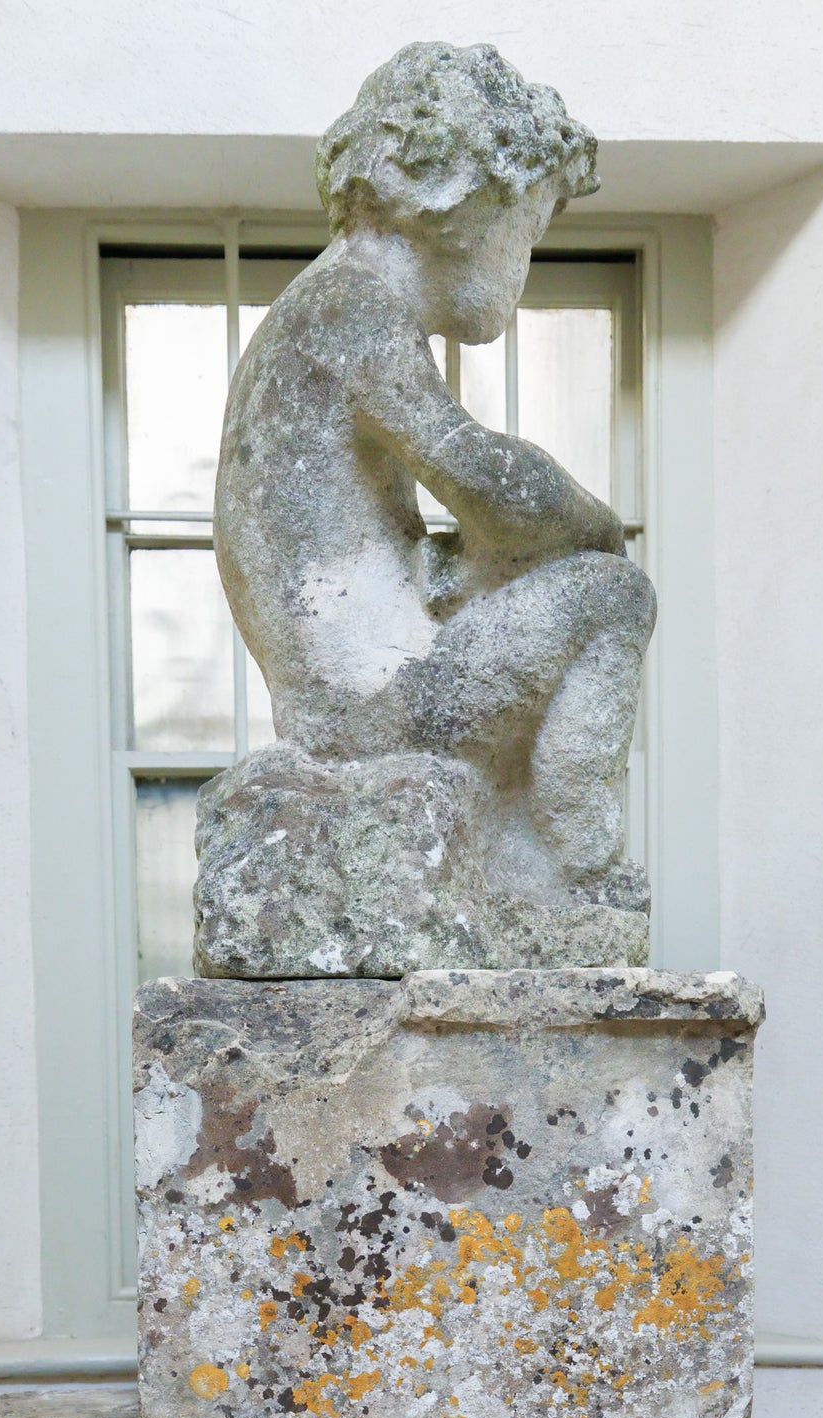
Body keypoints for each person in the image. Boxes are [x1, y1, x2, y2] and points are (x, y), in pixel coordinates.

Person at [214, 43, 655, 908]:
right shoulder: (351, 308)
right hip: (378, 710)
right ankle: (572, 865)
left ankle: (543, 855)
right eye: (528, 226)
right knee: (614, 597)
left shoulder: (318, 312)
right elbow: (484, 475)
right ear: (467, 203)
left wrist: (482, 565)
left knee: (520, 570)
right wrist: (592, 526)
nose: (524, 261)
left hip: (357, 694)